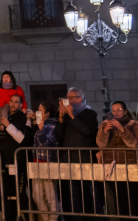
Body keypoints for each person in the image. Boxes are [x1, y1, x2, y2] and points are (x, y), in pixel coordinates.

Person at [96, 101, 138, 221]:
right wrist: (105, 131)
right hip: (110, 166)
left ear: (125, 111)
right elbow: (101, 144)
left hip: (128, 164)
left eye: (119, 110)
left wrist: (122, 128)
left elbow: (134, 143)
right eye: (113, 110)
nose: (116, 112)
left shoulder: (133, 124)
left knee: (130, 197)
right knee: (114, 197)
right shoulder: (105, 124)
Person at [57, 87, 99, 216]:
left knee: (88, 194)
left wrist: (72, 116)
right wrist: (61, 117)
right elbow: (58, 136)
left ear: (79, 99)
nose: (68, 101)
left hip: (84, 159)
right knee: (71, 195)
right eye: (67, 98)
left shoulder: (90, 114)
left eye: (70, 98)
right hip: (67, 159)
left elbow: (87, 131)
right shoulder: (66, 116)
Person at [29, 102, 61, 221]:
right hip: (37, 162)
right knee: (36, 195)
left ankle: (53, 218)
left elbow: (45, 144)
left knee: (50, 194)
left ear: (47, 114)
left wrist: (41, 129)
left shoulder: (52, 125)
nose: (37, 112)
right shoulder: (38, 125)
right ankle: (45, 217)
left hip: (47, 162)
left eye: (40, 111)